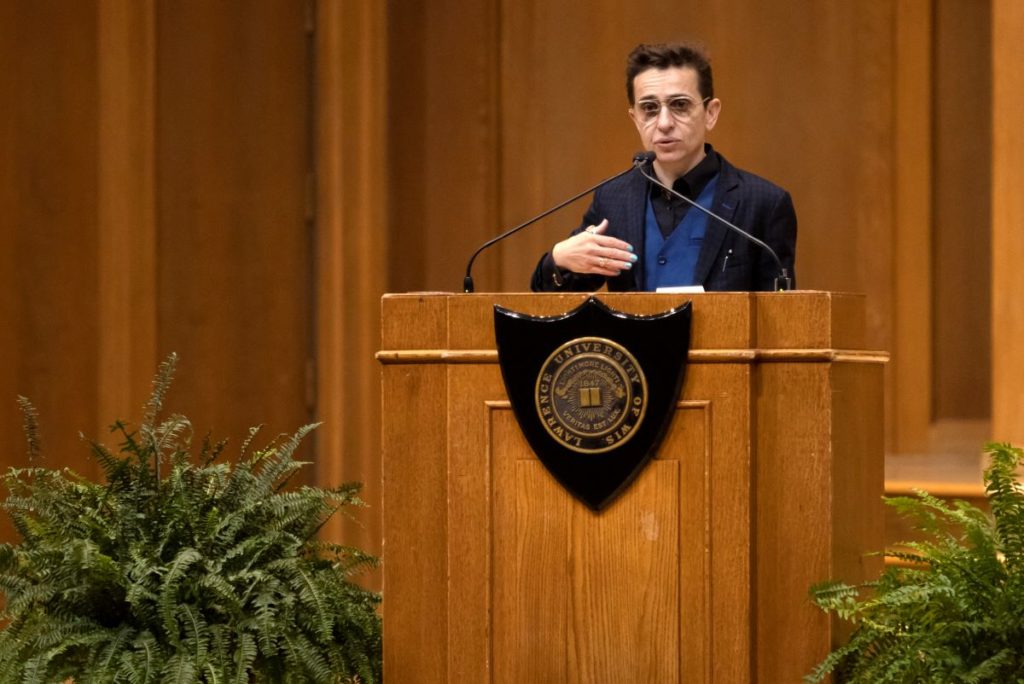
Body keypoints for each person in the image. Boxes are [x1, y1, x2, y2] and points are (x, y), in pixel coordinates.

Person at [530, 42, 797, 292]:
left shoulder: (763, 203)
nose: (664, 122)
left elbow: (782, 320)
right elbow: (556, 296)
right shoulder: (613, 199)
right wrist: (558, 260)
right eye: (649, 108)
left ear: (711, 113)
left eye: (680, 105)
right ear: (635, 118)